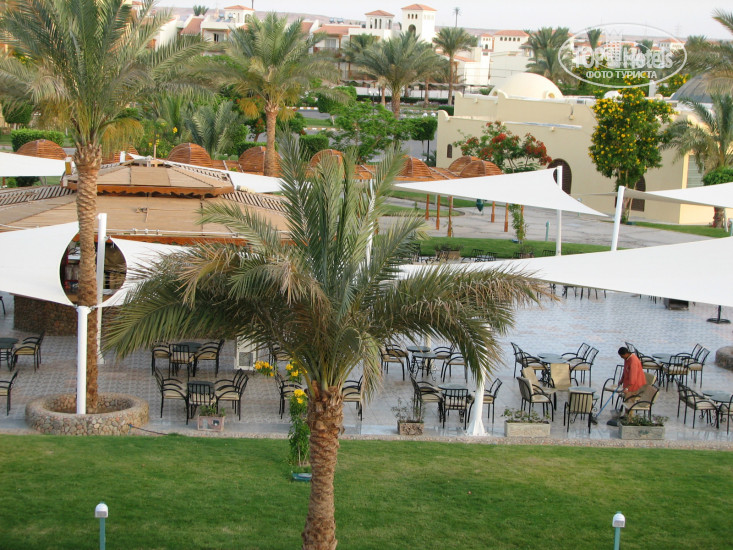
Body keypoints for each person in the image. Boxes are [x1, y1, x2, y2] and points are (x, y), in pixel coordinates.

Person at [618, 346, 647, 410]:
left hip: (634, 385)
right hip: (629, 383)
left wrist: (627, 388)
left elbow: (633, 378)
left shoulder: (633, 361)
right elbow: (625, 370)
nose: (621, 357)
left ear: (626, 354)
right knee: (626, 401)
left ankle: (629, 415)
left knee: (629, 402)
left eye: (622, 356)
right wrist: (621, 380)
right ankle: (626, 414)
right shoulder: (626, 358)